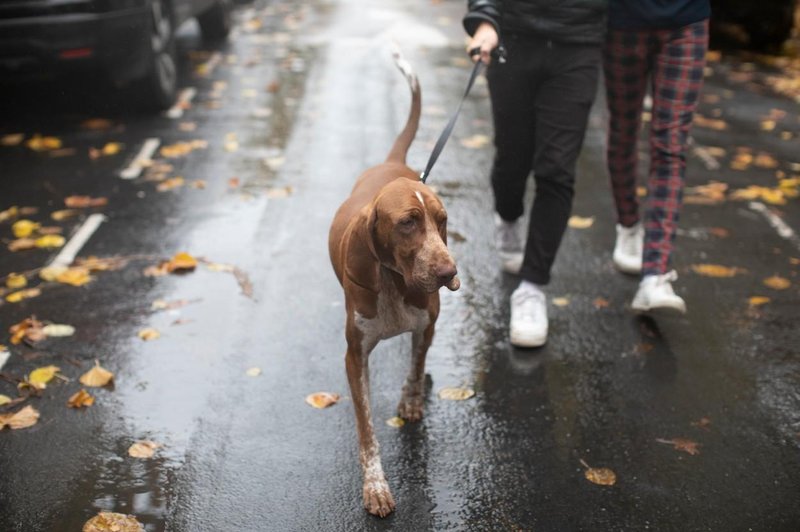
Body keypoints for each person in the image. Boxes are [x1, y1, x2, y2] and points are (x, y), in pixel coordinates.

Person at [463, 0, 608, 347]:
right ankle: (508, 218)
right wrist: (485, 20)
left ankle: (531, 289)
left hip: (579, 44)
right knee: (512, 161)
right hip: (513, 37)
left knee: (557, 169)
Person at [604, 0, 710, 314]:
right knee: (624, 131)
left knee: (671, 145)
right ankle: (629, 226)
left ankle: (656, 275)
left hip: (687, 21)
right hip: (622, 21)